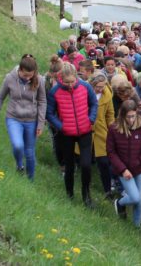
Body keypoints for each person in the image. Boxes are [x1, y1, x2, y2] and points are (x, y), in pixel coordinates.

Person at [46, 63, 98, 207]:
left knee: (86, 165)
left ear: (76, 77)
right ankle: (69, 194)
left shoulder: (85, 87)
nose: (70, 85)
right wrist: (61, 126)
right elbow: (49, 113)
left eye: (72, 81)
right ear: (61, 78)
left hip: (85, 130)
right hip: (66, 134)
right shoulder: (55, 91)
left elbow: (94, 103)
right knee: (69, 166)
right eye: (66, 82)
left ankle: (86, 195)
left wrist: (91, 119)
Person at [0, 54, 46, 180]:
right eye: (25, 75)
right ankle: (20, 165)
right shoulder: (10, 78)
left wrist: (41, 123)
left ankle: (30, 180)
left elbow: (42, 102)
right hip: (14, 118)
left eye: (30, 75)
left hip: (32, 120)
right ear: (19, 70)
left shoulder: (39, 80)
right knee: (17, 145)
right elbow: (0, 98)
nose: (28, 78)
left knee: (30, 152)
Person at [107, 100, 141, 227]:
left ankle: (136, 226)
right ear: (123, 115)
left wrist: (140, 160)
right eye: (128, 116)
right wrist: (123, 170)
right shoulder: (114, 128)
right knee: (135, 197)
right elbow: (111, 152)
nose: (131, 119)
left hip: (138, 168)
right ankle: (119, 203)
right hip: (123, 170)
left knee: (139, 200)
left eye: (133, 116)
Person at [89, 74, 115, 198]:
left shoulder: (107, 94)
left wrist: (112, 129)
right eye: (98, 86)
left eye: (103, 86)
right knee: (85, 160)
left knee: (104, 161)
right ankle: (86, 186)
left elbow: (110, 114)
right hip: (86, 129)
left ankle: (108, 190)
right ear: (93, 84)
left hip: (101, 130)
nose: (101, 89)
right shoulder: (85, 92)